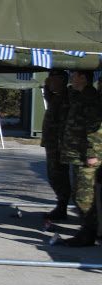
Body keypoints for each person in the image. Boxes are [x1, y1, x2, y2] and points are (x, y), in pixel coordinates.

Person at [59, 70, 102, 247]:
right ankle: (88, 230)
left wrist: (93, 154)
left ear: (84, 78)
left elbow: (95, 129)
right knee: (80, 195)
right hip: (78, 154)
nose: (71, 79)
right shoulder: (79, 95)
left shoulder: (90, 99)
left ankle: (88, 234)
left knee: (85, 197)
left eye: (75, 76)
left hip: (87, 156)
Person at [40, 70, 71, 220]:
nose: (49, 83)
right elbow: (49, 98)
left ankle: (62, 206)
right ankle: (61, 205)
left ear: (60, 80)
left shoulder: (66, 97)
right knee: (54, 175)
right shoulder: (58, 97)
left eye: (52, 80)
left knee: (58, 176)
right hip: (52, 144)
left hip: (58, 145)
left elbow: (63, 124)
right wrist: (46, 86)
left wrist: (61, 144)